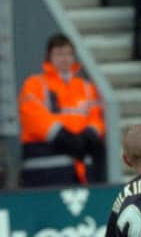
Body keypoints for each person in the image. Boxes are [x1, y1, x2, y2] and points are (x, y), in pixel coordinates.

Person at [19, 34, 105, 187]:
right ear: (49, 56)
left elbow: (96, 116)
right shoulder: (35, 84)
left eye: (68, 54)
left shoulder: (86, 87)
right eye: (59, 53)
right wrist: (61, 135)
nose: (64, 58)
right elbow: (32, 115)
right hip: (45, 171)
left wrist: (89, 134)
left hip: (81, 170)